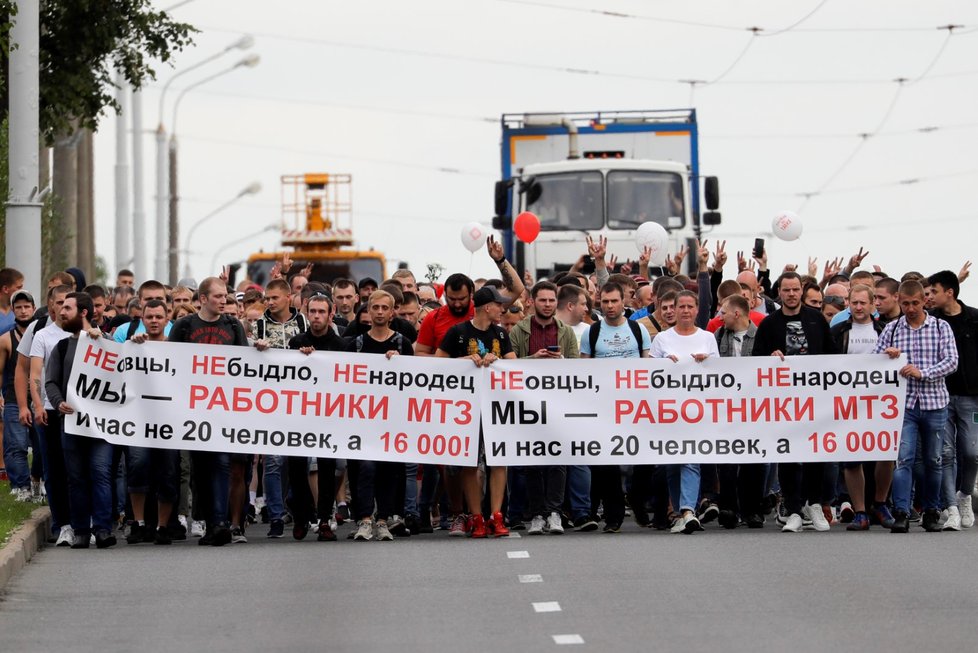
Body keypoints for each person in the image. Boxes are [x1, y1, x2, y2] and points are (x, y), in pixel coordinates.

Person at [753, 271, 838, 533]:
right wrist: (771, 356)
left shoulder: (817, 320)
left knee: (815, 454)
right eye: (786, 290)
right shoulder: (769, 324)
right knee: (788, 455)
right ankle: (792, 509)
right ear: (779, 292)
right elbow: (755, 360)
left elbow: (832, 357)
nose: (791, 294)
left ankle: (814, 504)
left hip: (814, 399)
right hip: (784, 403)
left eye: (795, 289)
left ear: (802, 291)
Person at [168, 278, 249, 546]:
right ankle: (209, 521)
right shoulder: (184, 326)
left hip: (224, 409)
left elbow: (245, 364)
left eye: (224, 295)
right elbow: (169, 361)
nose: (222, 300)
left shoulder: (233, 325)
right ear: (202, 299)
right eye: (217, 296)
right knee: (201, 468)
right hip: (193, 409)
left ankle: (220, 522)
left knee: (223, 463)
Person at [876, 280, 958, 533]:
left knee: (934, 459)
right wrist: (886, 355)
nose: (910, 308)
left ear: (924, 300)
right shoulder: (891, 330)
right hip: (904, 405)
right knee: (904, 459)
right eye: (905, 304)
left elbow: (952, 361)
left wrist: (923, 373)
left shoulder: (940, 327)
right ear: (899, 301)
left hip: (935, 403)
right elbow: (873, 364)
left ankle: (932, 510)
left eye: (915, 303)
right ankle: (902, 510)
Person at [436, 285, 517, 538]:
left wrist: (498, 361)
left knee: (498, 460)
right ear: (487, 307)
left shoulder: (501, 334)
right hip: (465, 408)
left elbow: (513, 365)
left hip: (496, 406)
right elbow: (437, 363)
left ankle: (496, 515)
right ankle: (476, 516)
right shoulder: (458, 332)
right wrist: (464, 362)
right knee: (469, 462)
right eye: (499, 304)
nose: (503, 309)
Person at [45, 292, 117, 549]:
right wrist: (57, 402)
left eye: (67, 308)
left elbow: (123, 368)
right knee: (75, 478)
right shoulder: (62, 347)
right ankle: (81, 531)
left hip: (101, 428)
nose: (60, 312)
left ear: (83, 312)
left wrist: (103, 339)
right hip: (72, 425)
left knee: (100, 474)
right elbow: (51, 381)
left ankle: (103, 529)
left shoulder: (105, 342)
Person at [509, 281, 580, 535]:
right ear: (532, 301)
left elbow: (576, 370)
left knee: (558, 459)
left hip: (558, 404)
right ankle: (537, 513)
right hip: (527, 404)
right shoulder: (518, 331)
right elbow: (509, 366)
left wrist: (560, 362)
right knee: (532, 461)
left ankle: (554, 512)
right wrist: (534, 360)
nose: (548, 305)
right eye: (543, 300)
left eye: (551, 300)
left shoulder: (566, 332)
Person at [580, 282, 651, 533]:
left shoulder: (638, 329)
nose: (610, 306)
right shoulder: (591, 333)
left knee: (645, 458)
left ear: (623, 302)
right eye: (605, 302)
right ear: (599, 302)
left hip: (635, 406)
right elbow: (583, 371)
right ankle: (613, 516)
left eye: (614, 301)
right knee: (606, 463)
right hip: (604, 407)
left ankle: (636, 496)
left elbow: (648, 367)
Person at [346, 290, 414, 542]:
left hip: (393, 419)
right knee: (365, 468)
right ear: (368, 310)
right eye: (375, 307)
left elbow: (415, 381)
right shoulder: (356, 344)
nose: (380, 312)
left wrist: (400, 364)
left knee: (389, 469)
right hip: (363, 419)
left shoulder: (402, 344)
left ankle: (383, 520)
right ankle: (365, 520)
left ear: (392, 311)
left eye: (385, 308)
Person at [650, 290, 719, 534]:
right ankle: (680, 512)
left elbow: (720, 375)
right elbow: (648, 375)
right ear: (675, 309)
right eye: (682, 307)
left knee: (691, 458)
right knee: (672, 463)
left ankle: (688, 510)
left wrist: (706, 362)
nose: (686, 311)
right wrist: (663, 364)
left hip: (697, 411)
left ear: (697, 309)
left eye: (691, 306)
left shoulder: (708, 338)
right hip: (668, 411)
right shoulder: (661, 339)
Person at [116, 299, 182, 545]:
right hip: (138, 422)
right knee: (137, 466)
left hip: (169, 423)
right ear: (142, 319)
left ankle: (163, 527)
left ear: (167, 320)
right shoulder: (132, 346)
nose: (154, 321)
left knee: (168, 472)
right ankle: (140, 524)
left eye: (158, 317)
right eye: (149, 317)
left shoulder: (178, 349)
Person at [829, 284, 893, 531]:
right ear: (848, 304)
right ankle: (860, 511)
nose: (858, 307)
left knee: (886, 454)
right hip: (848, 403)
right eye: (853, 302)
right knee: (851, 458)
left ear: (872, 304)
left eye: (862, 303)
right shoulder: (837, 332)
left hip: (882, 402)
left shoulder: (886, 330)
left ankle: (880, 503)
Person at [288, 293, 349, 542]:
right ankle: (302, 516)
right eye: (312, 311)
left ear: (331, 313)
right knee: (296, 466)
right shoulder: (295, 343)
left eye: (321, 312)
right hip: (300, 414)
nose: (316, 316)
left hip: (329, 415)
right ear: (306, 312)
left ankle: (324, 518)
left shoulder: (341, 345)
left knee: (327, 467)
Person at [253, 278, 309, 539]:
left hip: (300, 401)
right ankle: (275, 516)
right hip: (271, 401)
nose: (270, 302)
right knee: (273, 462)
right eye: (267, 298)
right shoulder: (260, 325)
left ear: (288, 297)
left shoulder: (303, 323)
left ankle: (296, 509)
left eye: (275, 297)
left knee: (299, 461)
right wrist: (258, 350)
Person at [927, 270, 978, 531]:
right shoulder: (931, 321)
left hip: (971, 397)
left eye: (934, 291)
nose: (929, 296)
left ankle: (965, 495)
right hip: (939, 397)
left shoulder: (974, 318)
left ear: (950, 292)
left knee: (971, 453)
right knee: (944, 454)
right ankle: (952, 507)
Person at [26, 285, 73, 545]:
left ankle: (81, 520)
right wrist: (37, 405)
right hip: (50, 411)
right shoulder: (43, 335)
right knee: (53, 469)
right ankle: (62, 524)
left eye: (68, 303)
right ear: (51, 305)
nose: (63, 308)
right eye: (59, 303)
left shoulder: (84, 334)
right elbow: (34, 374)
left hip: (77, 413)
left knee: (76, 470)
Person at [713, 294, 764, 529]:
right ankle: (729, 508)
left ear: (736, 313)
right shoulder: (719, 335)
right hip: (726, 408)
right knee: (727, 460)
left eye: (723, 312)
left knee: (754, 460)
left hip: (755, 408)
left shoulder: (762, 336)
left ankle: (752, 510)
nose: (719, 317)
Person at [0, 289, 36, 501]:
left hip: (41, 397)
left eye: (27, 306)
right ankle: (21, 488)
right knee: (16, 446)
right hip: (14, 397)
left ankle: (39, 484)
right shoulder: (5, 339)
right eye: (19, 307)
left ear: (33, 308)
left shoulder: (42, 334)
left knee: (41, 450)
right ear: (13, 310)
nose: (23, 311)